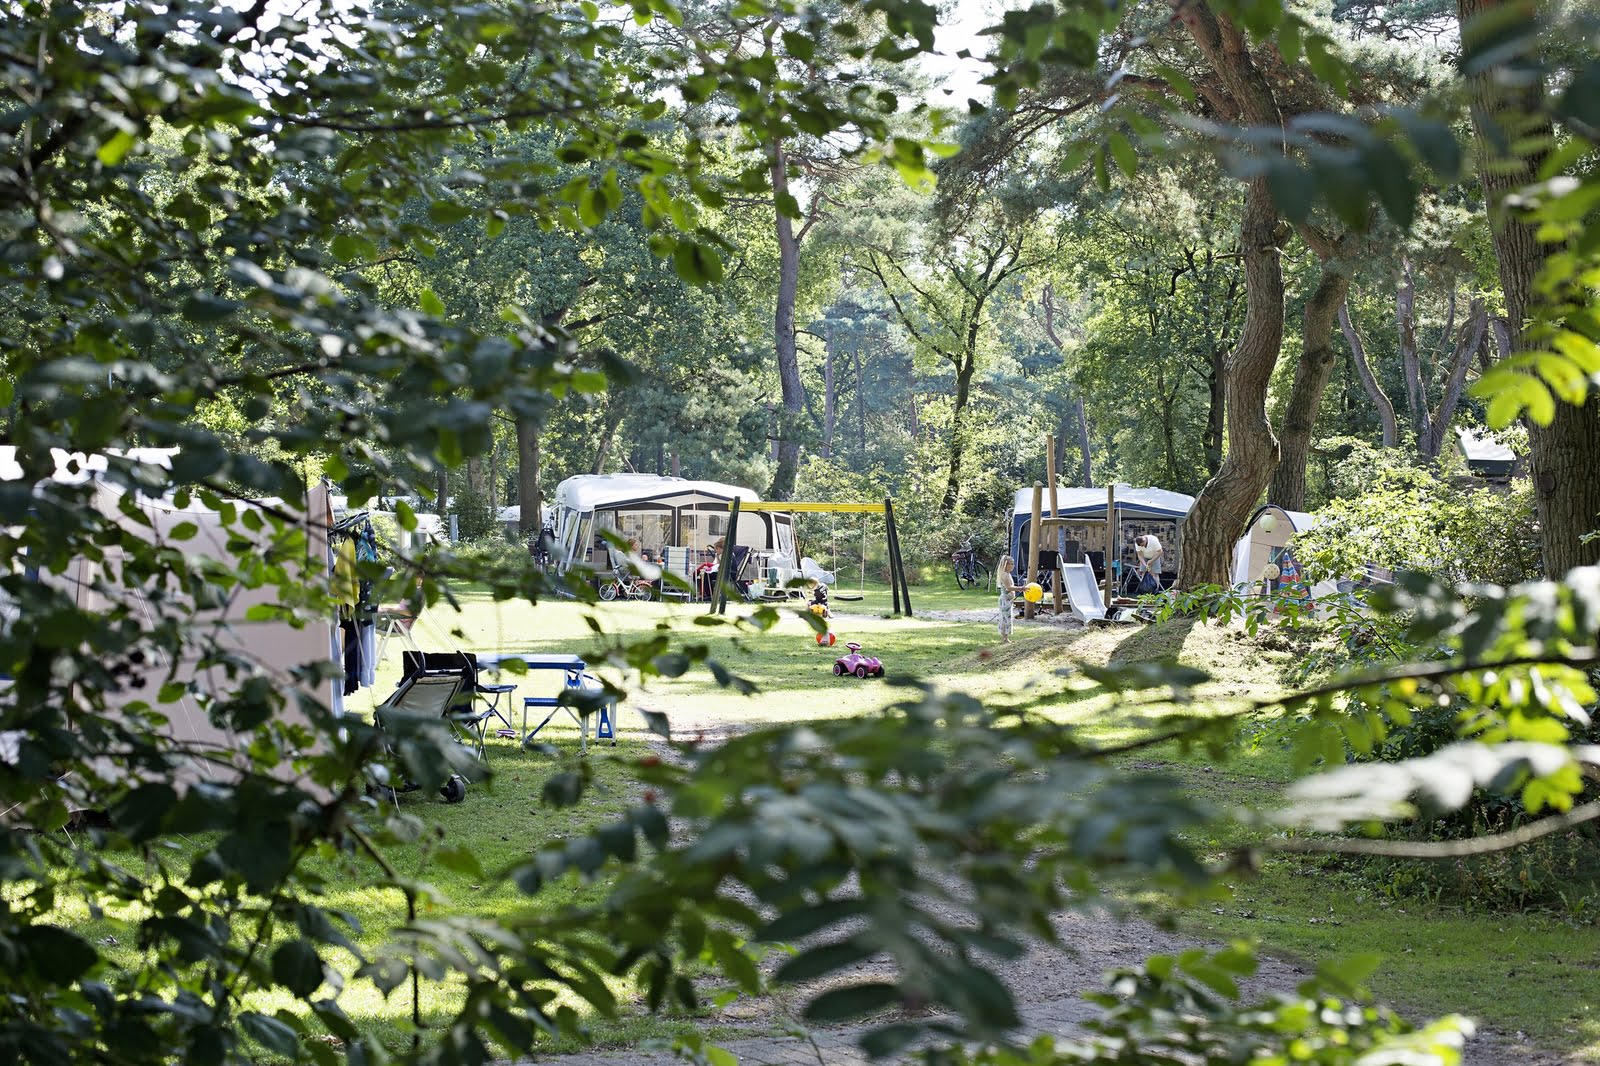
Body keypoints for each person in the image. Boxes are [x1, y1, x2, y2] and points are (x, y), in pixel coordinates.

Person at [996, 554, 1017, 643]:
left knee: (1008, 618)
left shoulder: (1008, 574)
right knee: (1005, 619)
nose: (1012, 566)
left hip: (1009, 600)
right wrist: (1021, 588)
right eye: (1011, 564)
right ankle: (1005, 638)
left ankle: (1006, 637)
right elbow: (1009, 588)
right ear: (1006, 564)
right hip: (1005, 600)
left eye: (1013, 564)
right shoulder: (1004, 575)